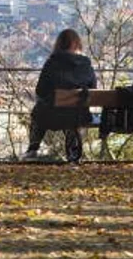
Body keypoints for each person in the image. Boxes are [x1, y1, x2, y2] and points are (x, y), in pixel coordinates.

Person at [21, 28, 96, 161]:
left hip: (52, 116)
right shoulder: (86, 65)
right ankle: (73, 150)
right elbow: (93, 89)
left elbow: (40, 90)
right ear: (77, 44)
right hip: (80, 115)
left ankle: (33, 148)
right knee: (70, 115)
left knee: (38, 112)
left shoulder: (52, 63)